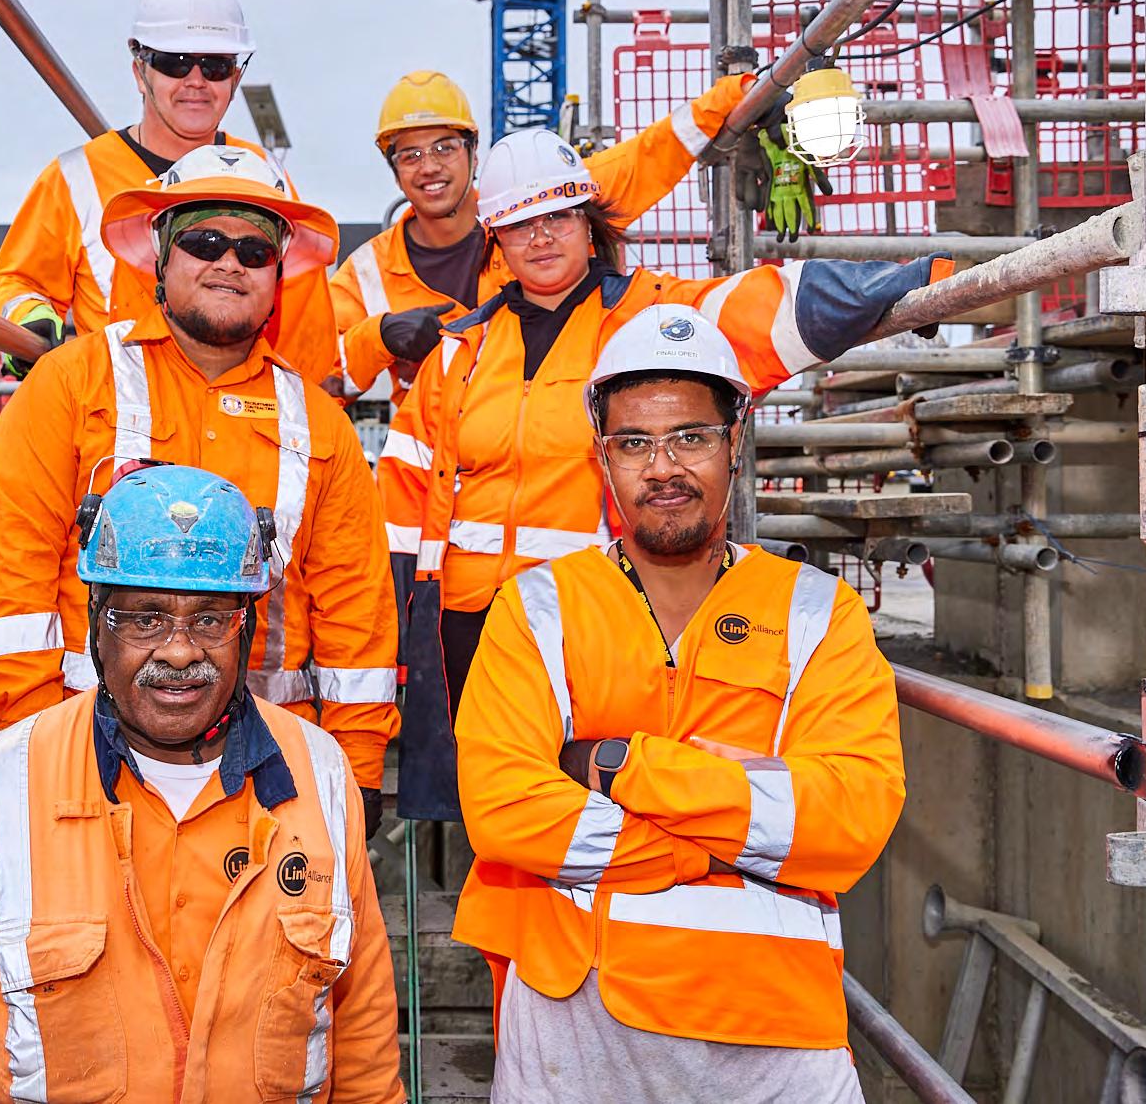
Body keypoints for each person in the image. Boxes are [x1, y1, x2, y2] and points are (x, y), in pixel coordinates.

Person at [378, 126, 948, 821]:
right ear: (495, 236)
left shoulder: (649, 319)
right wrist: (397, 646)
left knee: (605, 799)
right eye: (521, 223)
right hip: (469, 626)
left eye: (559, 215)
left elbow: (765, 306)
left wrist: (908, 287)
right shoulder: (458, 352)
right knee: (501, 804)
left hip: (594, 618)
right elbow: (401, 505)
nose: (542, 236)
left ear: (588, 222)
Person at [452, 307, 904, 1102]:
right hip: (574, 1023)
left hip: (769, 1028)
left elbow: (851, 816)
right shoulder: (537, 607)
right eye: (634, 443)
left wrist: (622, 765)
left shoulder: (815, 611)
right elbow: (503, 809)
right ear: (603, 457)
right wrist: (723, 836)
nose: (663, 467)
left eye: (691, 437)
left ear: (735, 442)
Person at [0, 466, 405, 1104]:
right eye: (145, 619)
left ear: (247, 628)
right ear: (97, 626)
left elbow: (360, 1026)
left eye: (210, 620)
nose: (179, 651)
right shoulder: (3, 779)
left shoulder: (320, 773)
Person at [0, 145, 398, 833]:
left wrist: (357, 766)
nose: (230, 263)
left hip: (267, 775)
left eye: (255, 251)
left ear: (278, 276)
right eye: (204, 242)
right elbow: (7, 576)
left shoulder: (321, 425)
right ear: (161, 261)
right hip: (90, 753)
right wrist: (45, 741)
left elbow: (357, 612)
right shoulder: (71, 385)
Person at [330, 69, 777, 403]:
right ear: (393, 169)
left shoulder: (538, 201)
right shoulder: (367, 274)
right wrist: (378, 339)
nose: (429, 166)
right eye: (410, 155)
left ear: (472, 152)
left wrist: (749, 94)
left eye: (444, 147)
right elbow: (316, 377)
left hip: (560, 446)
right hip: (441, 465)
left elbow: (652, 152)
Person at [0, 0, 338, 385]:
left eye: (215, 66)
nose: (196, 81)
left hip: (236, 411)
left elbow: (302, 323)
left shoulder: (264, 175)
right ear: (140, 72)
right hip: (114, 412)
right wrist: (29, 319)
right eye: (175, 63)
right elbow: (19, 282)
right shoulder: (77, 178)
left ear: (236, 76)